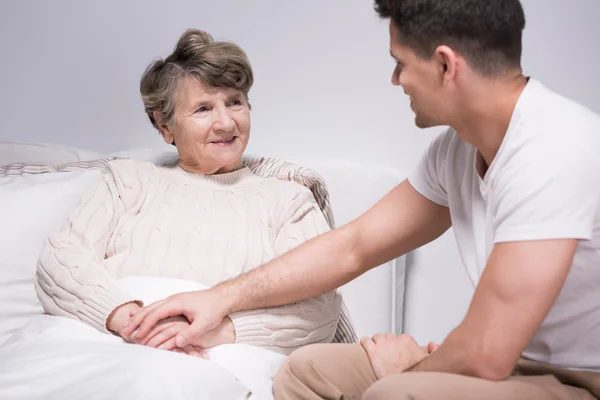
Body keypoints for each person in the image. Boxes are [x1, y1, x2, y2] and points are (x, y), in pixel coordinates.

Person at [123, 0, 600, 399]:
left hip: (581, 378)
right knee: (307, 372)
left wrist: (408, 370)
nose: (396, 81)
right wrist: (218, 297)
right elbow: (355, 246)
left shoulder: (553, 147)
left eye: (401, 63)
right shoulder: (457, 151)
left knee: (392, 393)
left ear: (445, 65)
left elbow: (485, 353)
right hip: (513, 363)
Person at [35, 28, 347, 358]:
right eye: (203, 109)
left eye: (235, 102)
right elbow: (60, 259)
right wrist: (134, 323)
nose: (226, 123)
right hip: (109, 341)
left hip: (217, 355)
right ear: (165, 126)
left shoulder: (288, 200)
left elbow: (320, 308)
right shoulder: (128, 180)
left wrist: (210, 333)